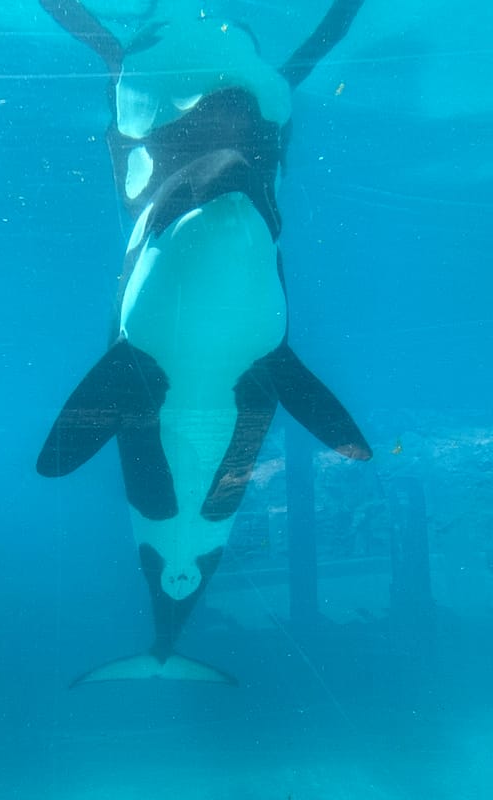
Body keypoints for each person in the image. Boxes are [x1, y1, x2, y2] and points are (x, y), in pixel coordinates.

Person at [37, 0, 371, 684]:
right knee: (182, 552)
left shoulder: (146, 334)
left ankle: (167, 640)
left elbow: (58, 457)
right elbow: (59, 458)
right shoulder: (238, 322)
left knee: (181, 554)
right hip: (235, 363)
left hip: (164, 359)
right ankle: (165, 639)